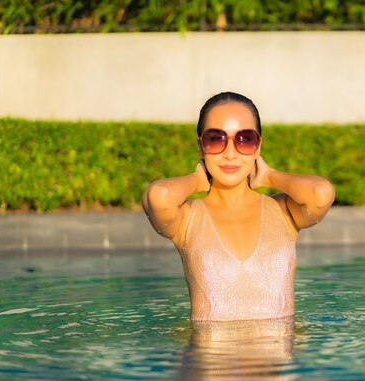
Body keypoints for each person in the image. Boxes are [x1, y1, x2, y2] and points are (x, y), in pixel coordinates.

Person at [142, 92, 334, 321]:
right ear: (200, 146)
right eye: (216, 139)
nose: (230, 154)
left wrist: (270, 176)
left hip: (275, 357)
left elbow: (321, 193)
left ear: (258, 146)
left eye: (245, 139)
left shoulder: (283, 212)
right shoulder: (187, 219)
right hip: (210, 356)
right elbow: (158, 195)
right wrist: (197, 180)